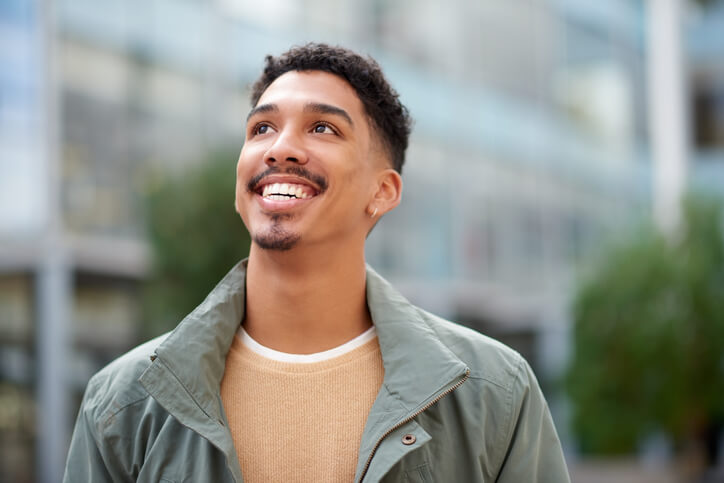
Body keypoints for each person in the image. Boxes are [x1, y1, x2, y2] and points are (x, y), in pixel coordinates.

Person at [64, 43, 570, 482]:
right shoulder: (122, 404)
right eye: (262, 127)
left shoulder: (497, 393)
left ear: (383, 191)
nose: (281, 148)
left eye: (323, 127)